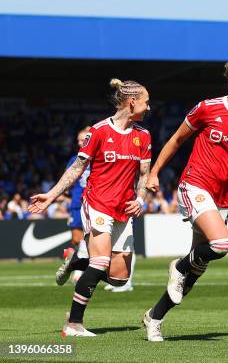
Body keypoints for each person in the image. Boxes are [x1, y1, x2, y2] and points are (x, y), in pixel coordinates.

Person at [142, 59, 228, 342]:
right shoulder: (207, 107)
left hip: (224, 198)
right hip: (195, 185)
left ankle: (154, 317)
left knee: (195, 271)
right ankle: (177, 266)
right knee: (220, 244)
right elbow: (177, 140)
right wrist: (153, 173)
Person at [28, 78, 152, 336]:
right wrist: (51, 195)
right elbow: (77, 168)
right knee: (100, 261)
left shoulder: (144, 136)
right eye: (146, 102)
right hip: (97, 204)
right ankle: (73, 324)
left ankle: (77, 261)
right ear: (132, 103)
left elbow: (144, 175)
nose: (148, 108)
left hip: (123, 209)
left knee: (119, 278)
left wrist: (140, 199)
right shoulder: (99, 132)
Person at [63, 127, 91, 283]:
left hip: (93, 203)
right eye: (79, 140)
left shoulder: (97, 159)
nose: (80, 143)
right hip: (76, 203)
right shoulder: (74, 160)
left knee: (89, 237)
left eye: (83, 140)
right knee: (76, 239)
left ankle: (80, 271)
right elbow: (67, 181)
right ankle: (77, 264)